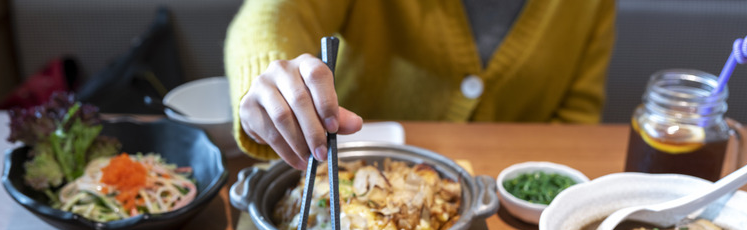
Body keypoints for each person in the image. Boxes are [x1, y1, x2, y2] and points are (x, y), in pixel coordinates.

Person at [224, 0, 615, 170]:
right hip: (345, 154)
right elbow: (273, 13)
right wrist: (267, 76)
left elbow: (575, 119)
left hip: (508, 199)